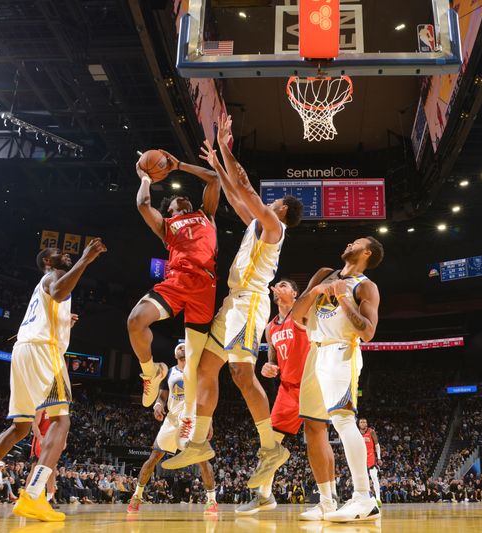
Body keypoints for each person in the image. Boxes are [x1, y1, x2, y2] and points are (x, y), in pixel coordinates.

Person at [161, 114, 303, 495]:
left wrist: (225, 148)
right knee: (204, 369)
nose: (264, 203)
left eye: (272, 202)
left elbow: (247, 191)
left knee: (241, 374)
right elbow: (236, 193)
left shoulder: (274, 227)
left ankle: (271, 447)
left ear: (282, 210)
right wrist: (215, 168)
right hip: (231, 304)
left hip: (251, 303)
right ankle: (199, 440)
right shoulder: (254, 226)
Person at [0, 238, 107, 522]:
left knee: (19, 428)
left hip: (23, 350)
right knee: (62, 420)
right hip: (44, 351)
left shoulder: (44, 286)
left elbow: (51, 303)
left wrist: (63, 322)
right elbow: (58, 291)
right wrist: (86, 259)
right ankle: (33, 495)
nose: (66, 256)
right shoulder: (53, 276)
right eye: (60, 254)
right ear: (47, 261)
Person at [291, 236, 385, 522]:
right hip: (316, 352)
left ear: (366, 252)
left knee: (343, 421)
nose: (348, 244)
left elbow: (368, 332)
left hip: (342, 351)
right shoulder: (324, 273)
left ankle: (363, 498)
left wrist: (343, 298)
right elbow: (296, 316)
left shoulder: (366, 286)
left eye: (355, 242)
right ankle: (327, 502)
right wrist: (317, 290)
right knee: (313, 426)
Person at [127, 150, 221, 416]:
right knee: (135, 321)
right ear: (170, 208)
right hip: (177, 282)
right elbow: (143, 205)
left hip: (204, 287)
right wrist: (145, 178)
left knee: (192, 365)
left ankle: (189, 416)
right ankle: (151, 372)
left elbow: (214, 179)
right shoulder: (166, 225)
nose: (186, 199)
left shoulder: (207, 215)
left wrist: (179, 164)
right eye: (180, 199)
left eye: (187, 198)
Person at [234, 278, 337, 518]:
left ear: (295, 293)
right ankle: (264, 496)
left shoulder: (303, 313)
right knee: (269, 445)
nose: (277, 289)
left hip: (312, 384)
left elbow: (318, 282)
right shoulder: (271, 327)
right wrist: (269, 365)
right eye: (277, 285)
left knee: (318, 438)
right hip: (287, 389)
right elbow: (272, 353)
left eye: (283, 285)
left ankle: (330, 497)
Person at [127, 344, 218, 515]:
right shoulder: (169, 372)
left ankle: (212, 500)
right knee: (153, 457)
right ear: (175, 353)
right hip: (172, 420)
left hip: (193, 420)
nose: (182, 347)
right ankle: (137, 496)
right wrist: (158, 404)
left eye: (185, 345)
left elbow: (206, 397)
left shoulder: (198, 371)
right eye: (179, 346)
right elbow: (162, 394)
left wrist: (209, 421)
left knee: (202, 460)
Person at [359, 418, 382, 506]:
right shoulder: (357, 433)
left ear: (366, 424)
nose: (362, 423)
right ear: (359, 424)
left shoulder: (371, 431)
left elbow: (377, 445)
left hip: (370, 456)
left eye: (364, 422)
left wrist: (379, 458)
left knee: (374, 477)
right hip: (361, 457)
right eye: (361, 422)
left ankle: (378, 499)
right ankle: (365, 498)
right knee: (362, 479)